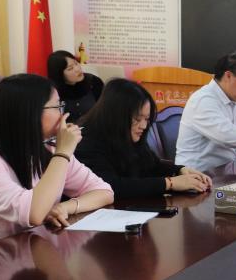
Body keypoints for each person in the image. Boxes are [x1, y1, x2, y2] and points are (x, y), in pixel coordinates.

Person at [0, 73, 114, 246]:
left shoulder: (46, 146)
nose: (63, 114)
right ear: (29, 112)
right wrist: (63, 152)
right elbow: (34, 213)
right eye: (57, 106)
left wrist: (63, 207)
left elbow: (104, 192)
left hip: (35, 247)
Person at [76, 78, 212, 199]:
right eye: (137, 119)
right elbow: (111, 186)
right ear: (116, 116)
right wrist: (170, 183)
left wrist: (179, 170)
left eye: (146, 119)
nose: (144, 126)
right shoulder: (86, 141)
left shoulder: (126, 135)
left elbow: (151, 166)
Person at [47, 49, 104, 122]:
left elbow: (104, 109)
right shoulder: (52, 92)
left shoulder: (94, 82)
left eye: (76, 63)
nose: (77, 69)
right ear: (59, 74)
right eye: (70, 68)